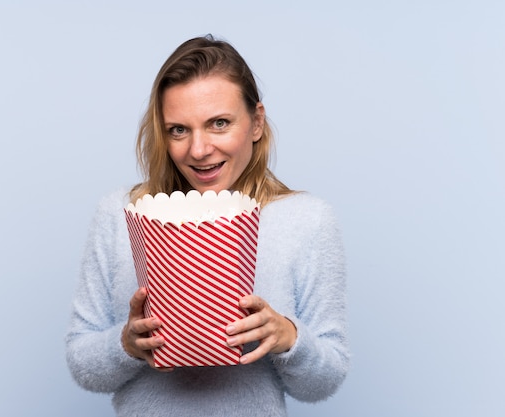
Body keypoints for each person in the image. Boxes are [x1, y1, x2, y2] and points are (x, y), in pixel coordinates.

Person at [66, 35, 349, 417]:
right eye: (178, 129)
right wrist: (127, 346)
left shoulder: (306, 219)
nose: (198, 150)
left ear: (256, 122)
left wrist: (288, 337)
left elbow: (326, 380)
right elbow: (81, 363)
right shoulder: (121, 213)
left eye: (219, 123)